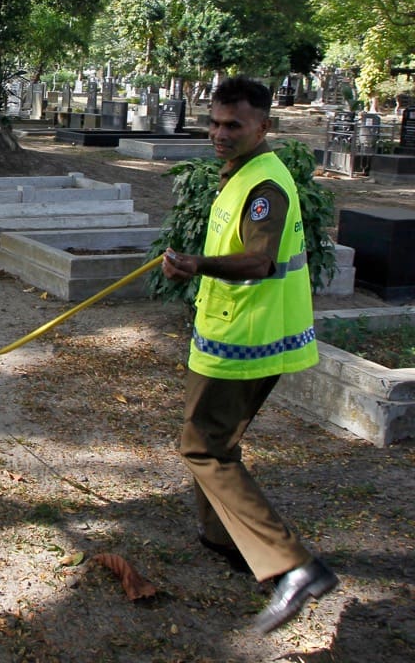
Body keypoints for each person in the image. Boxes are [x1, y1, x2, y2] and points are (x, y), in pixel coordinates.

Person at [161, 75, 336, 634]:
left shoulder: (267, 186)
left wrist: (197, 264)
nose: (219, 133)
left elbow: (258, 262)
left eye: (233, 125)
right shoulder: (241, 175)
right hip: (232, 331)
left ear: (264, 126)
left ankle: (292, 565)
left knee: (203, 447)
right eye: (214, 122)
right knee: (212, 438)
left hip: (247, 339)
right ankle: (224, 537)